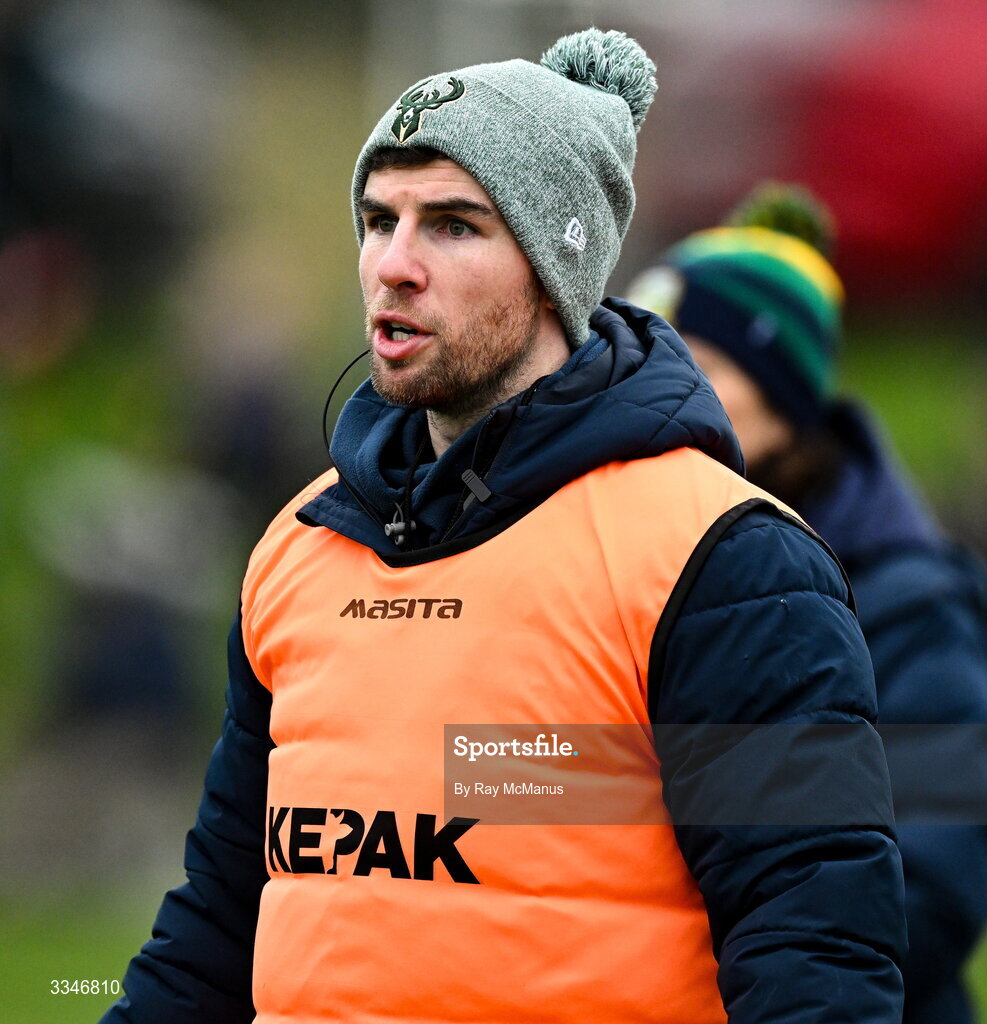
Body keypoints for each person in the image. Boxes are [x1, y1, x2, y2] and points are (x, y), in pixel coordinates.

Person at [101, 31, 907, 1024]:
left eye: (451, 224)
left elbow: (815, 957)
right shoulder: (299, 547)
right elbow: (214, 933)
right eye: (376, 218)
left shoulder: (724, 559)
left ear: (556, 262)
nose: (394, 264)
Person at [626, 181, 987, 1024]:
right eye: (645, 360)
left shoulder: (912, 609)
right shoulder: (626, 558)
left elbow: (920, 892)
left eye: (698, 365)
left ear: (783, 399)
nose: (658, 393)